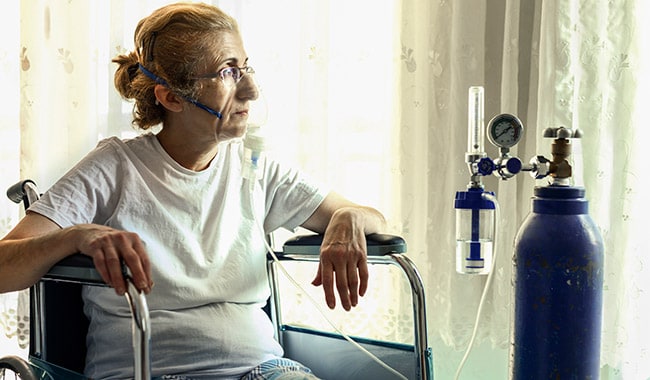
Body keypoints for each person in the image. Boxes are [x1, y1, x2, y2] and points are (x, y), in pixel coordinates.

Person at [0, 2, 386, 379]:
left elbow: (371, 216)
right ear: (171, 97)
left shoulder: (255, 170)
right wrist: (76, 236)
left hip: (264, 370)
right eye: (228, 72)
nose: (251, 90)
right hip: (154, 370)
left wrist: (349, 216)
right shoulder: (115, 168)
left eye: (246, 67)